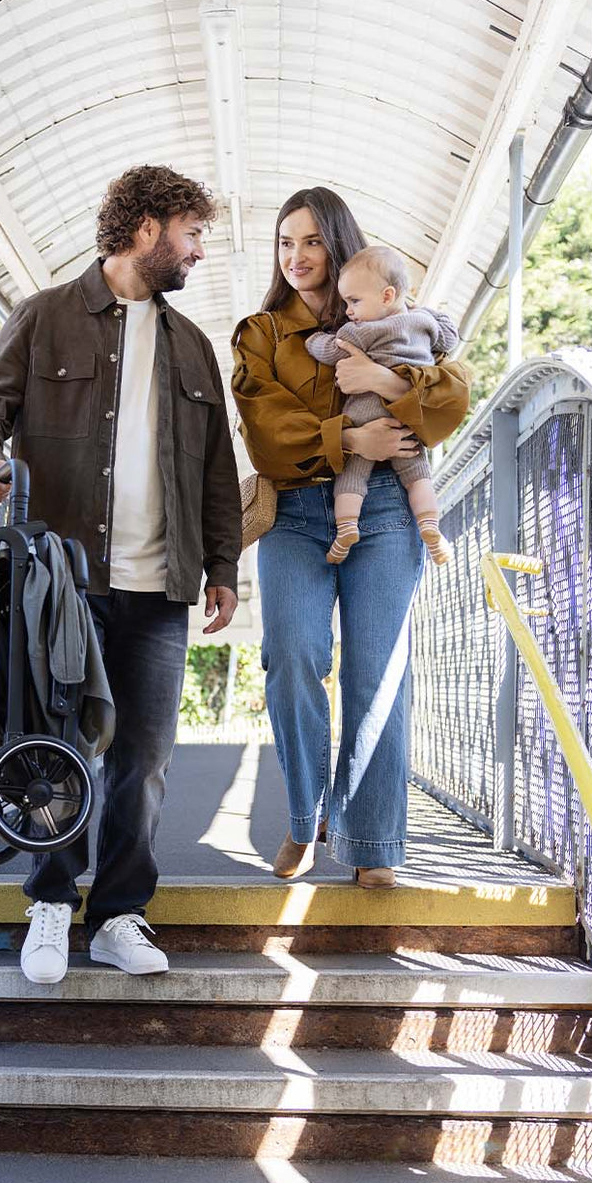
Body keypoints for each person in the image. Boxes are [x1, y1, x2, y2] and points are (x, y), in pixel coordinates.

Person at [0, 164, 241, 983]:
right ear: (146, 230)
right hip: (60, 585)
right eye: (191, 234)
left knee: (142, 756)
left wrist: (222, 563)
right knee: (55, 745)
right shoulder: (45, 318)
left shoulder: (191, 345)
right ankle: (48, 904)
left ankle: (118, 915)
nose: (197, 253)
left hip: (159, 584)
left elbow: (217, 469)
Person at [231, 187, 470, 888]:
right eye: (285, 242)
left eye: (310, 241)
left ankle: (371, 842)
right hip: (296, 516)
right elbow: (266, 435)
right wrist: (350, 435)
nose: (297, 256)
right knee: (294, 658)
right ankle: (307, 818)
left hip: (390, 513)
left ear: (337, 245)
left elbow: (451, 396)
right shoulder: (260, 332)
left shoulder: (388, 310)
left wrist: (380, 383)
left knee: (379, 676)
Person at [305, 244, 459, 567]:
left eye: (354, 301)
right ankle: (430, 526)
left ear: (387, 296)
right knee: (418, 474)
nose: (348, 310)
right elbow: (449, 337)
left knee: (351, 476)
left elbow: (330, 350)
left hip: (364, 417)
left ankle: (346, 530)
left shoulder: (361, 331)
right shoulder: (423, 323)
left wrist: (311, 340)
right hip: (406, 419)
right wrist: (429, 312)